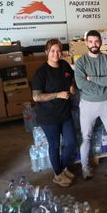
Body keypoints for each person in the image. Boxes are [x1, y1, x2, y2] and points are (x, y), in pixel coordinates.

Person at [75, 30, 107, 178]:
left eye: (96, 41)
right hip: (87, 103)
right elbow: (80, 84)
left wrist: (90, 78)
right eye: (90, 41)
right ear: (86, 43)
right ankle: (85, 166)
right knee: (86, 136)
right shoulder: (81, 62)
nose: (93, 44)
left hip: (106, 102)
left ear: (101, 42)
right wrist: (99, 82)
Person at [32, 39, 77, 187]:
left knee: (71, 143)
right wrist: (58, 94)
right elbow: (36, 96)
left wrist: (72, 86)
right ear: (46, 52)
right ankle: (58, 174)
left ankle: (61, 168)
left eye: (58, 51)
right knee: (55, 146)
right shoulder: (41, 72)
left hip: (64, 112)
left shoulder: (64, 65)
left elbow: (71, 79)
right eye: (52, 51)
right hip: (48, 116)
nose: (56, 54)